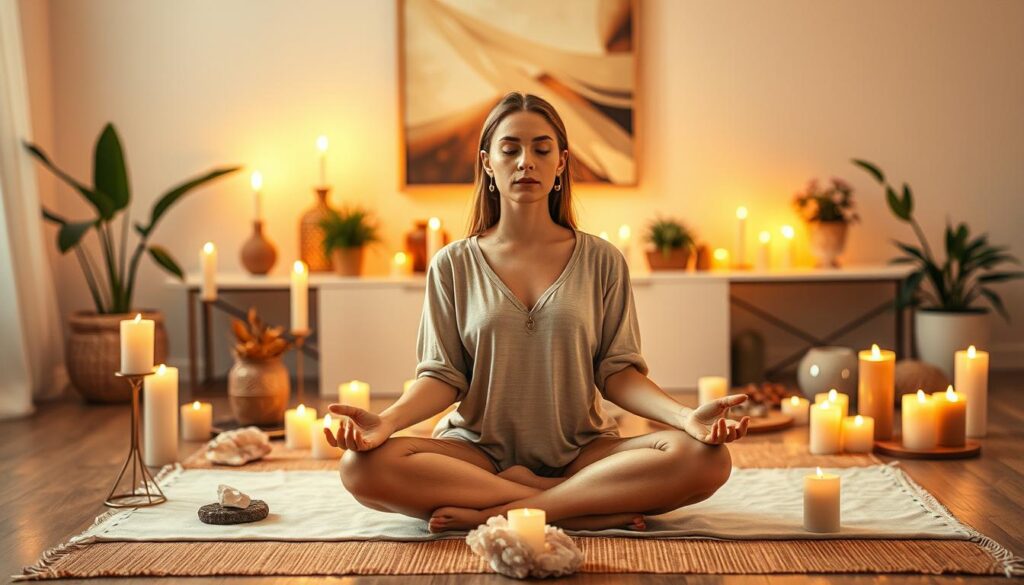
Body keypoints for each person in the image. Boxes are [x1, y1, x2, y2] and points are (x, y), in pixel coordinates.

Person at [324, 91, 750, 533]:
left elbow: (618, 372)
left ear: (561, 162)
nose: (526, 161)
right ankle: (584, 508)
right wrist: (386, 421)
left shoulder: (602, 261)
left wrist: (685, 417)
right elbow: (442, 376)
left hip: (582, 453)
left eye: (541, 149)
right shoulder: (452, 264)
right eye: (511, 150)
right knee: (361, 468)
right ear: (488, 162)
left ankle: (499, 512)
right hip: (475, 456)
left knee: (705, 458)